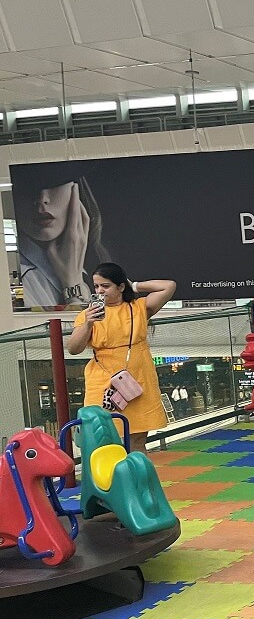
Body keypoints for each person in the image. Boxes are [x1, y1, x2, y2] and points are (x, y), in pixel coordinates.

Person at [67, 262, 176, 454]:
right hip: (103, 384)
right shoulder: (87, 315)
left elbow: (169, 286)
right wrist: (88, 324)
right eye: (96, 286)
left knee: (138, 439)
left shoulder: (138, 308)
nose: (100, 291)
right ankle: (109, 482)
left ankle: (136, 481)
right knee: (102, 438)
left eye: (106, 286)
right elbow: (74, 349)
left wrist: (134, 286)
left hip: (136, 383)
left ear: (120, 286)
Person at [15, 171, 109, 307]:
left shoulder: (96, 264)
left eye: (55, 183)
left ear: (75, 189)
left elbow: (107, 324)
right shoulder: (19, 279)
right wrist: (73, 288)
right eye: (26, 187)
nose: (42, 199)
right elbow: (89, 326)